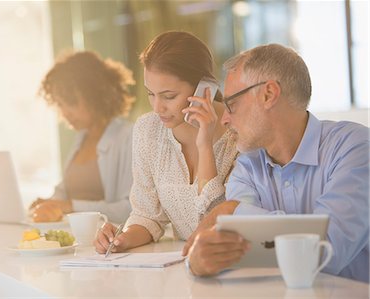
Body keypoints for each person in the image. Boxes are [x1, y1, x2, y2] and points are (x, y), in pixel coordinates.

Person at [184, 44, 369, 282]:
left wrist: (231, 209)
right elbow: (239, 253)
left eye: (231, 104)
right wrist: (199, 263)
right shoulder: (247, 168)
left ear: (269, 94)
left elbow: (326, 252)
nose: (225, 119)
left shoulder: (355, 148)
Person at [94, 31, 239, 254]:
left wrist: (205, 144)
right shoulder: (148, 129)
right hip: (179, 269)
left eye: (169, 96)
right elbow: (147, 216)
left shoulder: (237, 134)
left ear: (205, 89)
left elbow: (220, 224)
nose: (157, 108)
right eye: (151, 93)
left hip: (228, 262)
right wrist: (121, 239)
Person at [29, 50, 135, 224]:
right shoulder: (82, 137)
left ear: (94, 95)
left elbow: (129, 209)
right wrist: (50, 203)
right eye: (60, 104)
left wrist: (70, 206)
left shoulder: (128, 137)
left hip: (107, 241)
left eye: (71, 102)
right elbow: (66, 190)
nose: (65, 113)